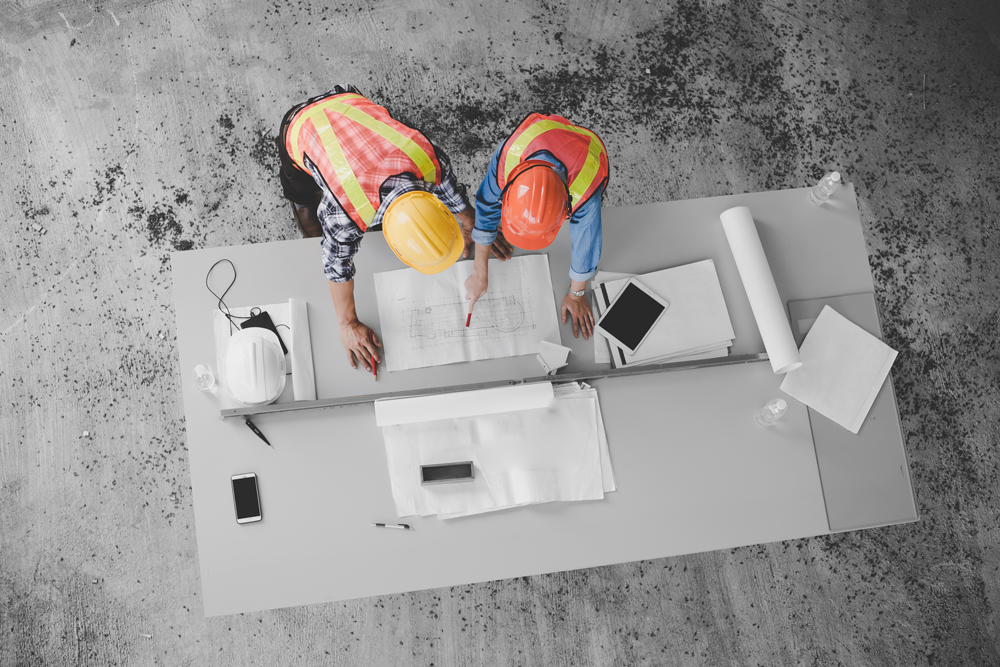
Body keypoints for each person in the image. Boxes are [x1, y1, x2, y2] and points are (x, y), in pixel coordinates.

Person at [276, 86, 511, 372]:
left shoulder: (426, 157)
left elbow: (448, 188)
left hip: (349, 103)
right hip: (302, 126)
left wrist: (472, 223)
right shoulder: (345, 212)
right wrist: (346, 323)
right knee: (301, 191)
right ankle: (301, 201)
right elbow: (336, 266)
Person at [464, 112, 609, 340]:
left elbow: (587, 243)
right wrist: (479, 270)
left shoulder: (586, 187)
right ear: (508, 191)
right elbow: (487, 204)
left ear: (565, 212)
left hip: (582, 150)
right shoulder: (508, 157)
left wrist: (577, 293)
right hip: (539, 136)